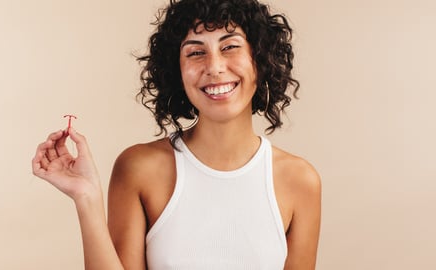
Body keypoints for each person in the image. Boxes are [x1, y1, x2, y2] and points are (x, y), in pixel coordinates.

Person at [32, 0, 321, 269]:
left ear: (260, 59)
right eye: (196, 52)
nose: (215, 67)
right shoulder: (139, 168)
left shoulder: (300, 180)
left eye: (230, 47)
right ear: (177, 71)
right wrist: (87, 199)